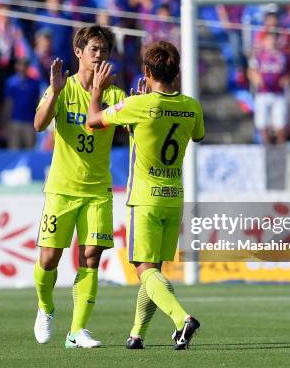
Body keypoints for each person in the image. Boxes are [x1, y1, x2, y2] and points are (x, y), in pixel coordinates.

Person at [87, 41, 205, 350]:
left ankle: (183, 319)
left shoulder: (136, 105)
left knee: (144, 269)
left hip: (145, 199)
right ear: (177, 72)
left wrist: (97, 91)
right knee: (153, 271)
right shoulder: (192, 105)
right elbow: (197, 135)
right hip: (173, 197)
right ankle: (137, 334)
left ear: (146, 71)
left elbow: (94, 121)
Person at [32, 25, 127, 348]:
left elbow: (133, 127)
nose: (99, 55)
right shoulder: (64, 87)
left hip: (98, 190)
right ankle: (45, 309)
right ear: (79, 52)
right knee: (49, 259)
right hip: (61, 189)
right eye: (93, 49)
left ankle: (77, 331)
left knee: (91, 256)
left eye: (104, 50)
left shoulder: (115, 94)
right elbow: (39, 124)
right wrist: (55, 92)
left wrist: (141, 105)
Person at [248, 33, 290, 145]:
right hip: (263, 92)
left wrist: (286, 79)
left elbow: (289, 73)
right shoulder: (259, 56)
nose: (271, 42)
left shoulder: (282, 56)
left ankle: (280, 145)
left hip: (278, 93)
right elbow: (251, 71)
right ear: (264, 42)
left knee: (280, 121)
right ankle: (265, 145)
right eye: (269, 40)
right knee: (262, 121)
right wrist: (255, 78)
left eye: (273, 40)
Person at [3, 58, 41, 149]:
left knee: (30, 150)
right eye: (20, 65)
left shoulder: (34, 84)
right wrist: (5, 122)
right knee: (13, 150)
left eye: (25, 65)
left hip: (30, 123)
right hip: (15, 122)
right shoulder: (11, 82)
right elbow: (8, 103)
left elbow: (38, 103)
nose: (22, 68)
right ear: (17, 66)